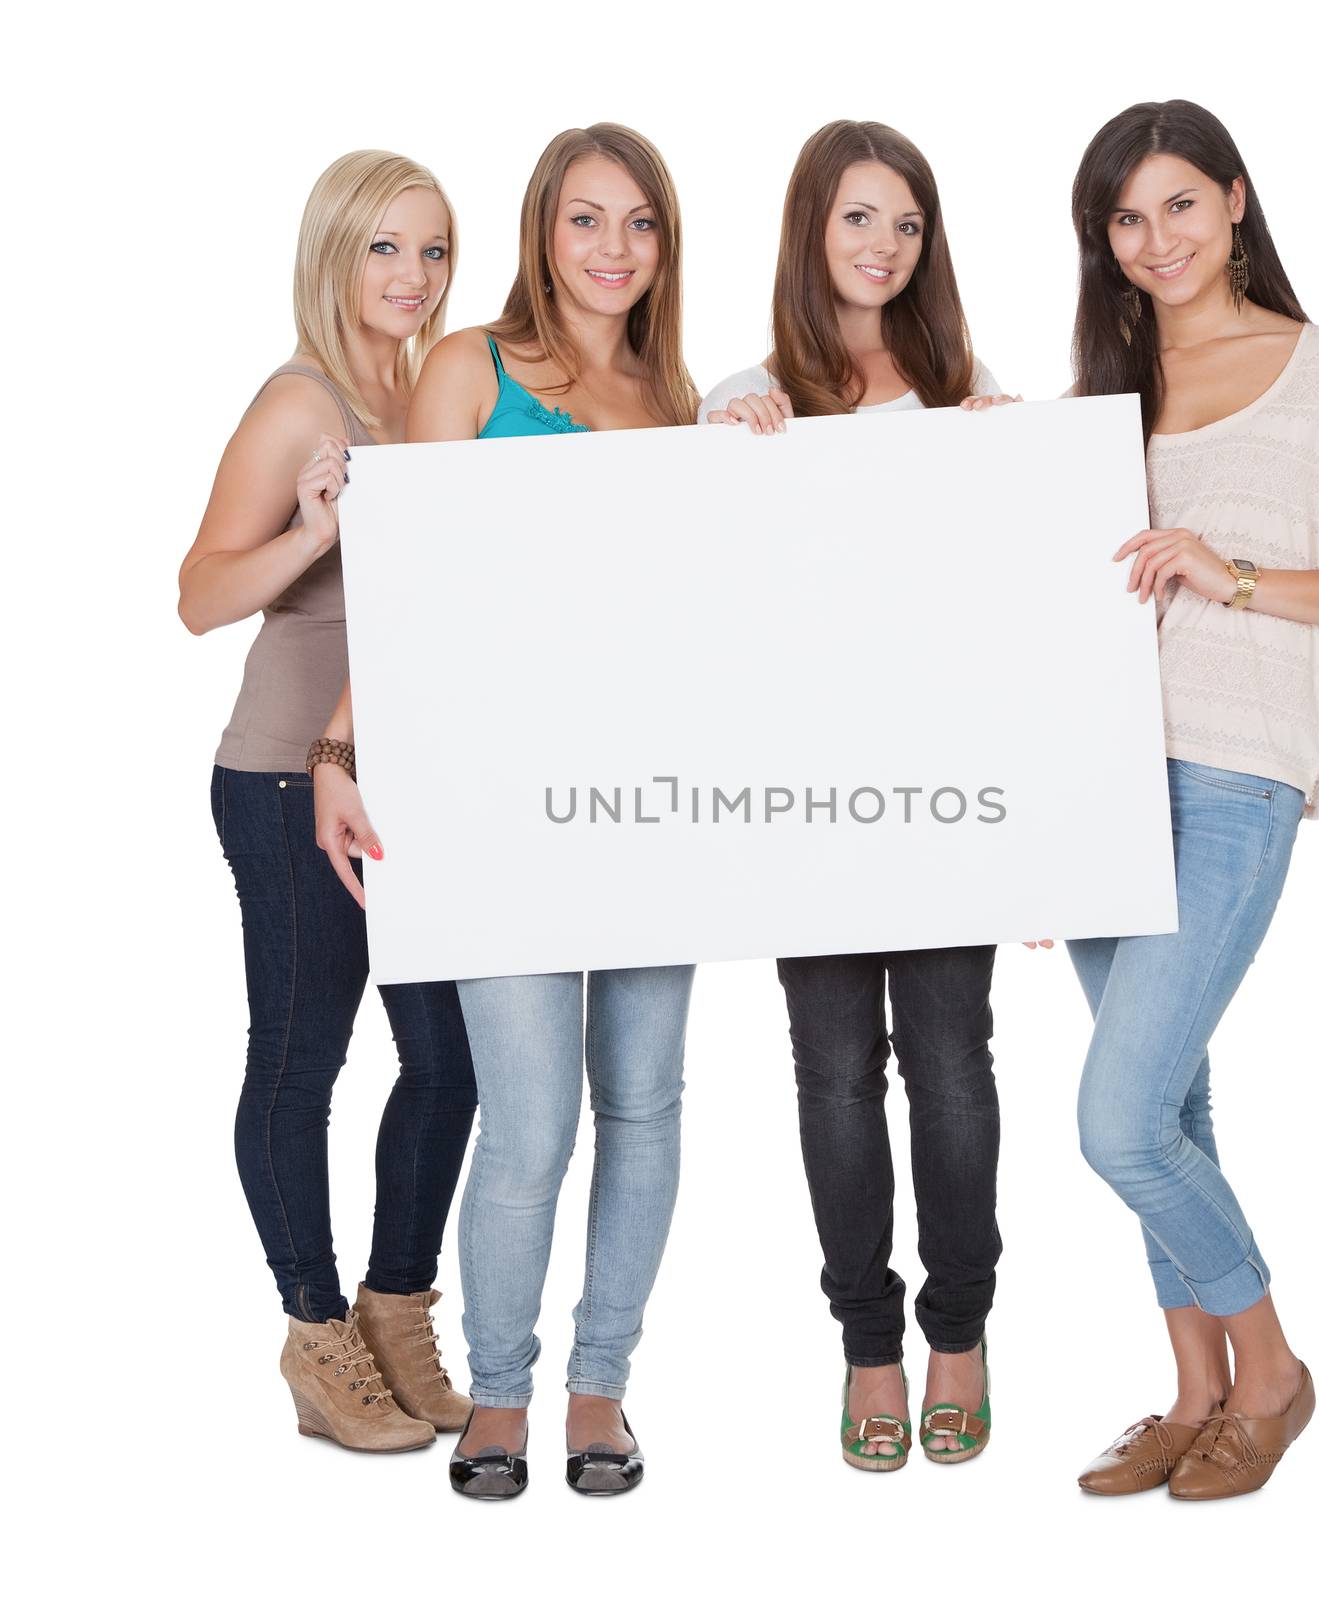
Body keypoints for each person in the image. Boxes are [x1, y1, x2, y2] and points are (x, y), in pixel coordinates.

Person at [312, 124, 699, 1498]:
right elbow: (405, 583)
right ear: (542, 231)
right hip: (496, 800)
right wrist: (339, 743)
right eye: (585, 220)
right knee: (531, 1120)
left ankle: (603, 1387)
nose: (612, 250)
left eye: (639, 224)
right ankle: (503, 1391)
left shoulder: (677, 394)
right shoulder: (470, 368)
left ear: (664, 245)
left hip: (658, 800)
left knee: (642, 1102)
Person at [1065, 99, 1319, 1500]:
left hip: (1233, 776)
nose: (1155, 241)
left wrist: (1240, 574)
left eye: (1179, 206)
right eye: (1125, 217)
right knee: (1171, 1109)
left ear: (1233, 200)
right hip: (1096, 781)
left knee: (1118, 1120)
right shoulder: (1113, 384)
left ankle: (1271, 1374)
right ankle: (1194, 1393)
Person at [700, 120, 1020, 1472]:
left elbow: (1021, 608)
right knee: (834, 1073)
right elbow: (693, 601)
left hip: (943, 787)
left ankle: (960, 1330)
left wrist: (1018, 468)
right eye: (857, 220)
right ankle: (868, 1346)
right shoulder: (747, 392)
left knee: (949, 1066)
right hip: (802, 799)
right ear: (808, 231)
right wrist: (714, 443)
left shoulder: (966, 391)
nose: (883, 247)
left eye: (906, 224)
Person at [179, 151, 476, 1453]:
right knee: (302, 1064)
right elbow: (195, 594)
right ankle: (317, 1340)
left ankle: (395, 1306)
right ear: (334, 254)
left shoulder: (418, 390)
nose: (411, 279)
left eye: (433, 252)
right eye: (385, 250)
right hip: (281, 776)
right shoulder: (302, 403)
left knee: (451, 1063)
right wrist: (312, 530)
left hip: (402, 779)